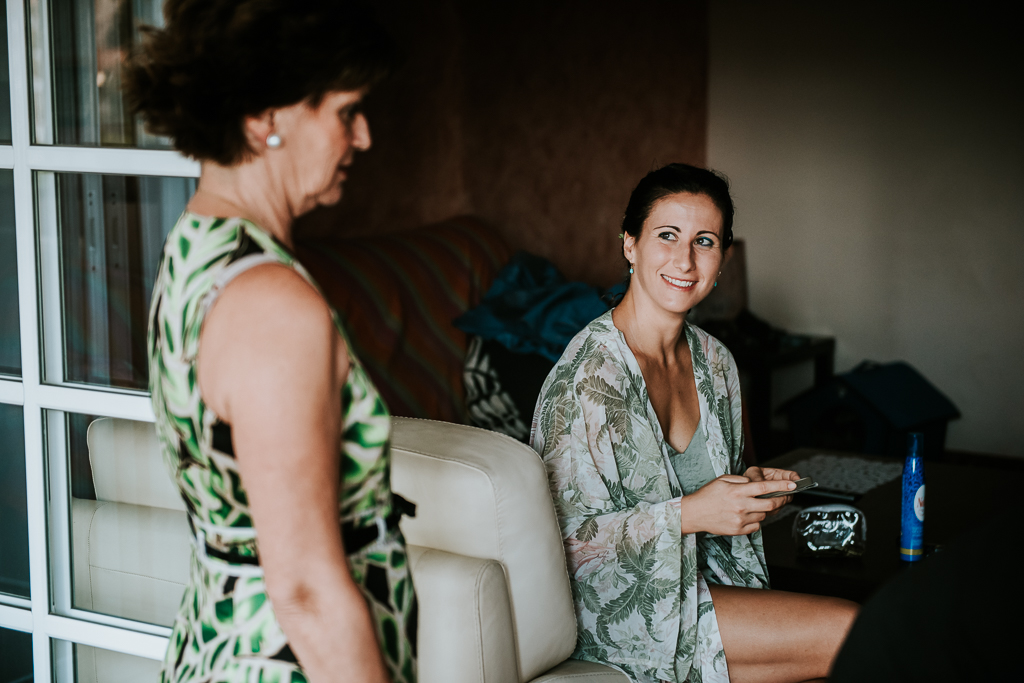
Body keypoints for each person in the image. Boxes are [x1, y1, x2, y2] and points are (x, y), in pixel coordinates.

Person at [127, 2, 415, 682]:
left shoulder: (196, 250)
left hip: (222, 640)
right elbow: (308, 590)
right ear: (263, 118)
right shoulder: (273, 305)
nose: (364, 137)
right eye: (347, 111)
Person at [530, 164, 857, 683]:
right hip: (621, 609)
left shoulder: (716, 363)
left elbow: (709, 496)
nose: (684, 260)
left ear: (722, 258)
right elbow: (562, 541)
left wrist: (746, 493)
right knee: (853, 633)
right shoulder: (586, 380)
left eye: (704, 241)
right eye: (666, 236)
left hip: (708, 582)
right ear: (630, 245)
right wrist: (690, 513)